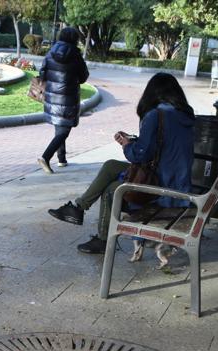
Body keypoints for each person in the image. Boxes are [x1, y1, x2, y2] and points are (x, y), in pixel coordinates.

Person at [47, 72, 195, 255]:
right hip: (178, 183)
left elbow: (140, 155)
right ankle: (78, 208)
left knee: (111, 190)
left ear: (152, 93)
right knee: (110, 165)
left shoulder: (156, 114)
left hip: (161, 187)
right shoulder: (184, 115)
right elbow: (161, 147)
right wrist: (133, 140)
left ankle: (102, 240)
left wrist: (127, 145)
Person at [37, 27, 89, 174]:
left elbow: (42, 72)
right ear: (75, 39)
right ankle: (45, 157)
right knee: (64, 130)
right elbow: (84, 77)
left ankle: (62, 159)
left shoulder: (51, 52)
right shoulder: (76, 55)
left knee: (60, 126)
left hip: (52, 96)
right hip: (68, 97)